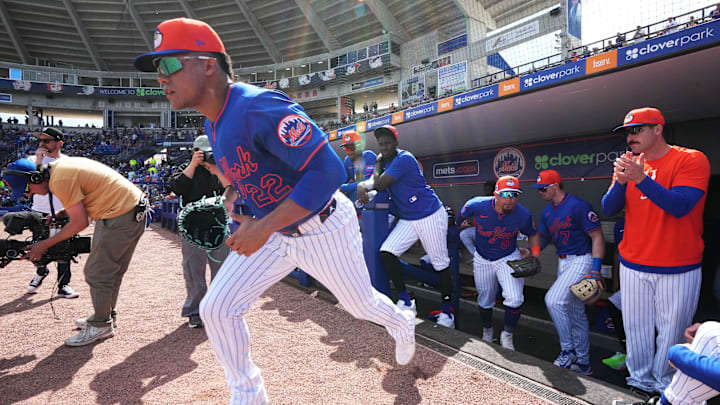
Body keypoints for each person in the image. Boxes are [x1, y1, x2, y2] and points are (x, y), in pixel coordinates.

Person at [133, 18, 415, 404]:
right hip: (275, 232)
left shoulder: (257, 107)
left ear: (208, 65)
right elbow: (240, 177)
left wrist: (262, 226)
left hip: (323, 227)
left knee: (360, 304)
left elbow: (328, 170)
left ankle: (401, 320)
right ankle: (248, 394)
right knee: (216, 308)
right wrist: (233, 200)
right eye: (157, 69)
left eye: (168, 65)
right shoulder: (212, 123)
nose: (161, 78)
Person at [602, 107, 710, 396]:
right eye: (627, 132)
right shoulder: (631, 165)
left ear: (658, 128)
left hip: (678, 265)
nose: (630, 136)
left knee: (672, 332)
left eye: (636, 130)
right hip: (634, 263)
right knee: (636, 330)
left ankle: (664, 387)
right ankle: (638, 384)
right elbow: (609, 208)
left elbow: (680, 206)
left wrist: (641, 179)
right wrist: (622, 181)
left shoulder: (690, 159)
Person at [3, 156, 147, 346]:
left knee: (97, 273)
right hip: (125, 210)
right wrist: (64, 212)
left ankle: (101, 325)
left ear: (36, 178)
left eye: (27, 189)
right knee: (111, 271)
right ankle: (105, 314)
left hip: (120, 214)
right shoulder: (58, 169)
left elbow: (80, 222)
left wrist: (43, 245)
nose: (28, 196)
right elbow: (90, 191)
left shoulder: (60, 179)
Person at [356, 125, 455, 328]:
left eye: (387, 143)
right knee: (387, 252)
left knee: (440, 264)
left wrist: (365, 181)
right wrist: (370, 174)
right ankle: (406, 301)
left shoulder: (405, 158)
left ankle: (448, 312)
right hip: (409, 218)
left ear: (396, 143)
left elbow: (381, 183)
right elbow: (375, 180)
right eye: (380, 144)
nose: (383, 147)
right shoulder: (383, 160)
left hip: (430, 214)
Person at [455, 176, 541, 350]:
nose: (510, 199)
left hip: (507, 256)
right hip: (482, 258)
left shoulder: (522, 214)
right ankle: (487, 330)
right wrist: (462, 224)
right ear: (496, 194)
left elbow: (533, 234)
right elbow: (460, 218)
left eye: (514, 194)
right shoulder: (477, 204)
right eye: (505, 194)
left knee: (515, 298)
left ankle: (507, 334)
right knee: (485, 299)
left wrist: (535, 254)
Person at [532, 169, 605, 375]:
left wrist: (595, 271)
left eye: (543, 188)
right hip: (563, 262)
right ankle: (584, 364)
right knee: (576, 314)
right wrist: (531, 252)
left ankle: (568, 350)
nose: (540, 192)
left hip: (582, 259)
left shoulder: (578, 206)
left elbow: (597, 237)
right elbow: (545, 238)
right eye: (539, 189)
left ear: (555, 186)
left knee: (553, 300)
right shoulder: (547, 211)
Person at [5, 127, 78, 298]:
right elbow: (27, 188)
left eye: (47, 141)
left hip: (62, 212)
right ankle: (41, 271)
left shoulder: (69, 163)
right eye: (41, 140)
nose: (42, 144)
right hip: (39, 211)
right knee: (36, 248)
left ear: (59, 143)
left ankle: (64, 285)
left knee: (64, 250)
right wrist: (39, 161)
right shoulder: (31, 159)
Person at [168, 134, 231, 329]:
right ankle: (195, 312)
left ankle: (218, 310)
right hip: (191, 227)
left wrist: (216, 166)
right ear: (194, 151)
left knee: (221, 270)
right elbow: (177, 187)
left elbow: (231, 187)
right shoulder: (186, 169)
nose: (203, 155)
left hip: (217, 224)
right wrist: (194, 165)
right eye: (199, 151)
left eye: (207, 152)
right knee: (193, 270)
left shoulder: (220, 168)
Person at [459, 180, 496, 264]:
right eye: (486, 188)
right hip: (480, 230)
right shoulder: (481, 201)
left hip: (495, 233)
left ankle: (485, 258)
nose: (487, 190)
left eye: (489, 188)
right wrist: (467, 225)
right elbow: (477, 220)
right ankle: (476, 256)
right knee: (464, 234)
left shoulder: (498, 202)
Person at [338, 131, 376, 205]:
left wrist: (344, 187)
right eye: (347, 148)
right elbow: (343, 182)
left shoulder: (368, 156)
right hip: (358, 203)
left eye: (353, 147)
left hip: (378, 202)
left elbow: (367, 183)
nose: (350, 151)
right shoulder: (347, 161)